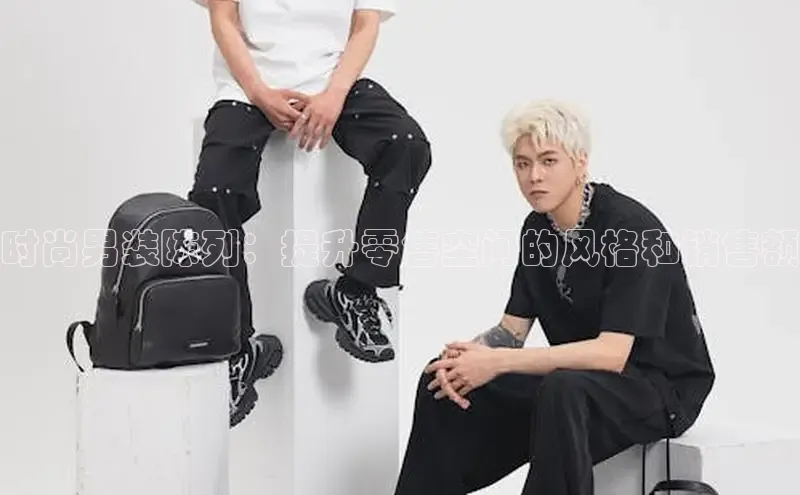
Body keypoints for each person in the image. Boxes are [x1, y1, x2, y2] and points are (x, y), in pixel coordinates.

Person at [393, 99, 715, 495]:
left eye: (548, 161)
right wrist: (472, 356)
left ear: (580, 163)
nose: (534, 176)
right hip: (580, 381)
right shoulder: (537, 230)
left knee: (563, 390)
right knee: (442, 380)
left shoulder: (632, 231)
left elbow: (612, 355)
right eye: (522, 164)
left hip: (659, 388)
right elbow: (511, 332)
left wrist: (497, 362)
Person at [188, 0, 432, 427]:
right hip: (246, 89)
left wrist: (334, 96)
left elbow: (365, 24)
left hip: (333, 83)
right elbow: (222, 18)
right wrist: (259, 93)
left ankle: (356, 290)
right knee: (213, 196)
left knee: (406, 145)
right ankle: (238, 351)